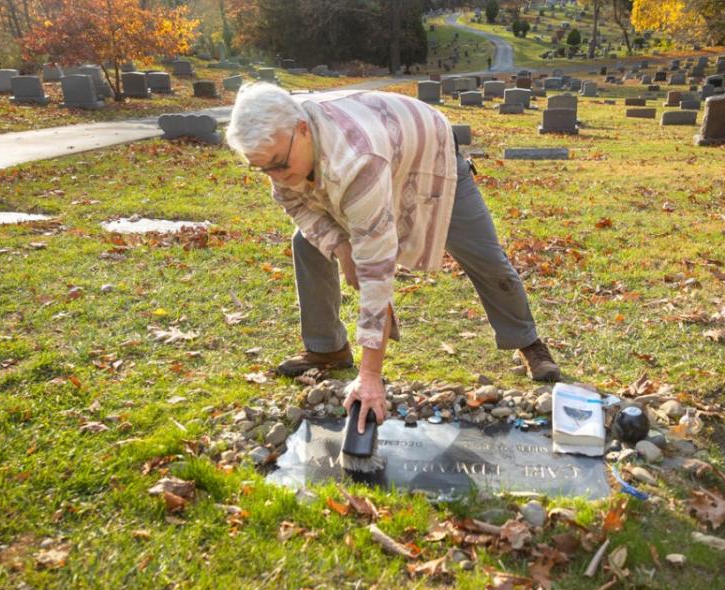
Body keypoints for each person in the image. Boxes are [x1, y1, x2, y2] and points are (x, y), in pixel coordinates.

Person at [225, 82, 561, 430]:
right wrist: (341, 247)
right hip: (375, 153)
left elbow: (376, 268)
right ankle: (327, 347)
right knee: (307, 243)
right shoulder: (282, 146)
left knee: (482, 254)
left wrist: (370, 375)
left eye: (279, 164)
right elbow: (295, 203)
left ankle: (528, 341)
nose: (276, 178)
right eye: (263, 169)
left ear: (303, 130)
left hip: (431, 156)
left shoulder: (356, 157)